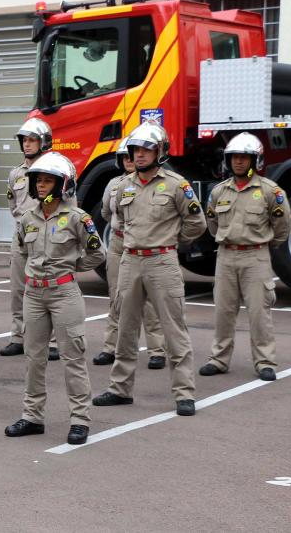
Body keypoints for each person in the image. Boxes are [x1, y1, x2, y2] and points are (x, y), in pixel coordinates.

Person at [93, 121, 206, 416]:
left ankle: (184, 393)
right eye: (136, 150)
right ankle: (120, 388)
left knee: (174, 329)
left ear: (160, 152)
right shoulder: (123, 186)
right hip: (130, 260)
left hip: (162, 262)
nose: (139, 155)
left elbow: (197, 223)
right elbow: (113, 216)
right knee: (125, 328)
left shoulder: (176, 185)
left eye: (146, 149)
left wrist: (170, 241)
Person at [3, 152, 105, 445]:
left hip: (64, 293)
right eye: (39, 181)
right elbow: (22, 252)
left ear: (63, 184)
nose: (43, 186)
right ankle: (32, 416)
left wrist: (71, 268)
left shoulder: (78, 218)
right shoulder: (27, 218)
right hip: (34, 294)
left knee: (72, 358)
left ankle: (80, 420)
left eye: (49, 180)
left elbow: (97, 254)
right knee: (34, 358)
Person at [199, 132, 290, 381]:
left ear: (255, 160)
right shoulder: (219, 192)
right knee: (223, 312)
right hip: (226, 257)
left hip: (255, 257)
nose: (238, 162)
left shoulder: (271, 191)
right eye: (234, 157)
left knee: (259, 313)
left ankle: (265, 362)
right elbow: (212, 222)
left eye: (244, 157)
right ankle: (218, 359)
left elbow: (282, 226)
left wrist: (262, 245)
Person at [94, 137, 167, 368]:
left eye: (132, 155)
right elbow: (106, 213)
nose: (129, 160)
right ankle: (111, 347)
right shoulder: (114, 185)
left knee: (148, 301)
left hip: (145, 247)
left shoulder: (155, 184)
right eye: (125, 156)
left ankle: (157, 350)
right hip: (119, 245)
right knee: (117, 298)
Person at [2, 117, 60, 361]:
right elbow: (13, 205)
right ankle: (18, 336)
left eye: (32, 140)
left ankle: (53, 341)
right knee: (18, 289)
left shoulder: (55, 171)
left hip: (46, 235)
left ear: (43, 142)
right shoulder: (16, 174)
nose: (27, 144)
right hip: (21, 237)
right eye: (24, 140)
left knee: (50, 287)